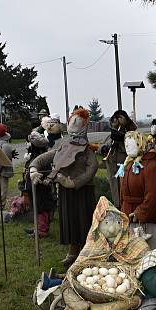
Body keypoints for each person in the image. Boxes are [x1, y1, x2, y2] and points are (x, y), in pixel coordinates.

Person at [30, 108, 98, 266]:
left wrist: (74, 182)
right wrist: (33, 169)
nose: (73, 125)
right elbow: (45, 158)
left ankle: (86, 253)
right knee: (69, 220)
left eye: (77, 123)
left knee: (83, 220)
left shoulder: (87, 149)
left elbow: (92, 167)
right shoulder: (64, 145)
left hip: (83, 189)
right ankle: (72, 251)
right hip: (65, 190)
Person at [117, 131, 156, 249]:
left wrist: (140, 213)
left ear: (140, 144)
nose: (127, 147)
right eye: (126, 144)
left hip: (148, 221)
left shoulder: (151, 166)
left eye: (131, 143)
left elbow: (153, 195)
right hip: (130, 217)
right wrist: (122, 210)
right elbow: (123, 193)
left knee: (151, 252)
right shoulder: (128, 164)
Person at [100, 110, 138, 208]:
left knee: (124, 189)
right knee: (115, 190)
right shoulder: (110, 135)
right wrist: (103, 149)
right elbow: (101, 147)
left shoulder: (131, 134)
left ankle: (125, 208)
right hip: (112, 167)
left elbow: (134, 150)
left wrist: (121, 141)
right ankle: (117, 206)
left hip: (124, 167)